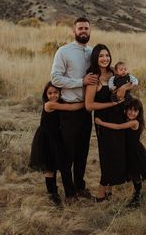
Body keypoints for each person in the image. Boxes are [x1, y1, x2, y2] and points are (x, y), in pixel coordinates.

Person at [50, 17, 98, 201]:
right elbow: (55, 78)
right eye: (80, 28)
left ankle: (80, 187)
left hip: (86, 110)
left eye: (86, 28)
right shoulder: (64, 51)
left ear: (90, 31)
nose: (84, 31)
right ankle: (69, 193)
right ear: (74, 30)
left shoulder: (92, 52)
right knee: (67, 153)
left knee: (82, 152)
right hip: (69, 109)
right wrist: (81, 82)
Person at [85, 44, 129, 202]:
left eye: (107, 55)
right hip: (102, 120)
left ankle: (110, 189)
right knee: (107, 154)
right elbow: (89, 106)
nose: (105, 59)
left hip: (119, 117)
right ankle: (101, 193)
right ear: (95, 58)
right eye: (101, 56)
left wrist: (126, 87)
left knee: (118, 152)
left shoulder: (114, 73)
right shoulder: (93, 78)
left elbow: (131, 81)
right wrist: (111, 104)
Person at [29, 81, 84, 207]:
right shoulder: (49, 105)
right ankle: (53, 195)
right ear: (45, 94)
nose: (53, 95)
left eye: (55, 93)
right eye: (50, 93)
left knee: (64, 166)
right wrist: (85, 103)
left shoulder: (59, 102)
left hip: (57, 138)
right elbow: (70, 108)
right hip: (46, 139)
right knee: (49, 167)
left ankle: (70, 194)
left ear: (60, 93)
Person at [95, 98, 146, 208]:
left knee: (135, 174)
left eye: (135, 111)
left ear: (139, 113)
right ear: (126, 109)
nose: (132, 113)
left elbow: (118, 127)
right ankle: (131, 194)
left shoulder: (134, 122)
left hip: (134, 151)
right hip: (126, 150)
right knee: (132, 173)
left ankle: (137, 196)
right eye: (130, 109)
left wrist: (101, 123)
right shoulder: (126, 119)